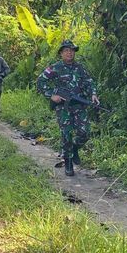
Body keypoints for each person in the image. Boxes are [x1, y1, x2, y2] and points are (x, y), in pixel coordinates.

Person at [36, 40, 99, 176]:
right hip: (63, 108)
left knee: (84, 132)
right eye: (66, 50)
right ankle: (68, 161)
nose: (69, 53)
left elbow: (89, 82)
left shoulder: (80, 68)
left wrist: (93, 94)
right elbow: (40, 81)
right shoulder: (55, 67)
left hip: (79, 106)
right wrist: (52, 95)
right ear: (61, 53)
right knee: (66, 134)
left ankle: (75, 149)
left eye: (72, 50)